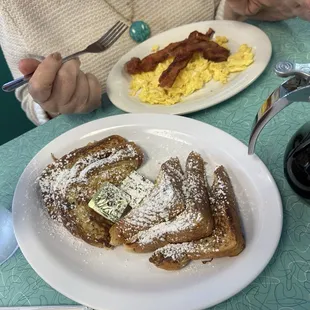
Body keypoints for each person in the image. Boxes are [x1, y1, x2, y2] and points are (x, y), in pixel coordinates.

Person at [0, 0, 309, 125]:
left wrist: (245, 7)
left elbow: (224, 4)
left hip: (245, 97)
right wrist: (54, 101)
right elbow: (29, 92)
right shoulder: (13, 7)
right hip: (128, 129)